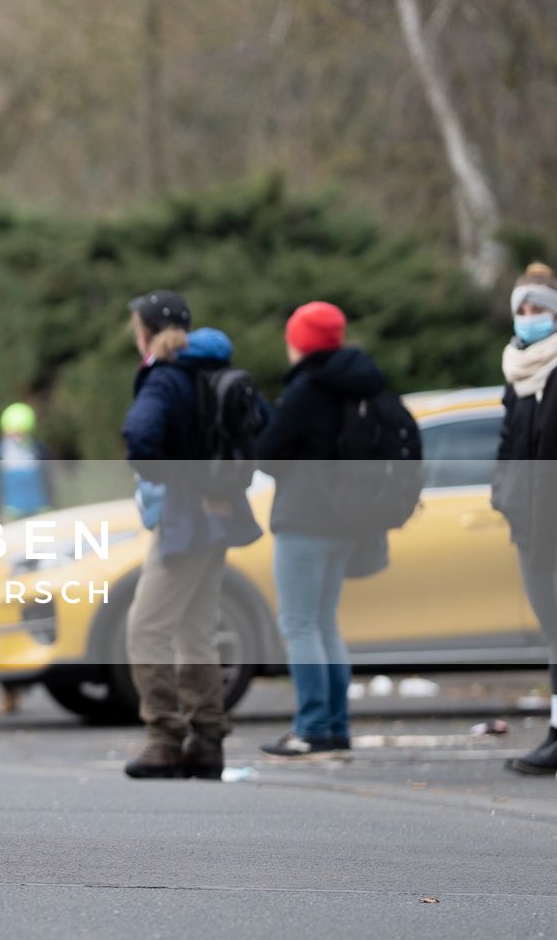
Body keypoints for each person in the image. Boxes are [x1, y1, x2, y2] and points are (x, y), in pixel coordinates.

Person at [119, 290, 262, 780]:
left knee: (146, 627)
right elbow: (260, 424)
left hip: (183, 520)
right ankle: (206, 741)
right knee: (196, 630)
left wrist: (173, 477)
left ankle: (163, 738)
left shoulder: (164, 377)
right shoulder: (212, 367)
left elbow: (140, 437)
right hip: (220, 517)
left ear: (146, 331)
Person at [250, 302, 385, 760]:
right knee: (324, 623)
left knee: (299, 623)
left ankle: (311, 726)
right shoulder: (358, 384)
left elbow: (265, 452)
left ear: (300, 342)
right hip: (346, 523)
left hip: (304, 520)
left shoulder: (307, 389)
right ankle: (336, 725)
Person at [495, 263, 557, 777]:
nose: (530, 317)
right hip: (530, 524)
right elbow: (508, 445)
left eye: (539, 308)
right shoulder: (516, 374)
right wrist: (504, 494)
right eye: (523, 308)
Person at [0, 403, 56, 521]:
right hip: (10, 518)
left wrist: (49, 506)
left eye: (21, 433)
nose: (17, 439)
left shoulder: (40, 451)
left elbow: (50, 482)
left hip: (40, 514)